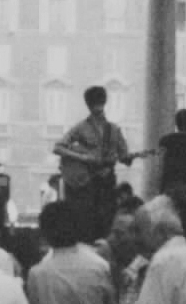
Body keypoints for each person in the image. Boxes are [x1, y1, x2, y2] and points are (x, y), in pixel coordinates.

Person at [55, 86, 138, 242]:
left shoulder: (114, 129)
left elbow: (125, 157)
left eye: (99, 102)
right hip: (87, 184)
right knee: (86, 222)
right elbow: (58, 147)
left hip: (107, 181)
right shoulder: (80, 128)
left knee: (106, 221)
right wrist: (83, 157)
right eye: (94, 103)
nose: (97, 107)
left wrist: (129, 157)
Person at [157, 109, 186, 207]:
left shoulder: (165, 141)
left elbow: (159, 166)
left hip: (168, 186)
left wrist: (158, 189)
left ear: (176, 124)